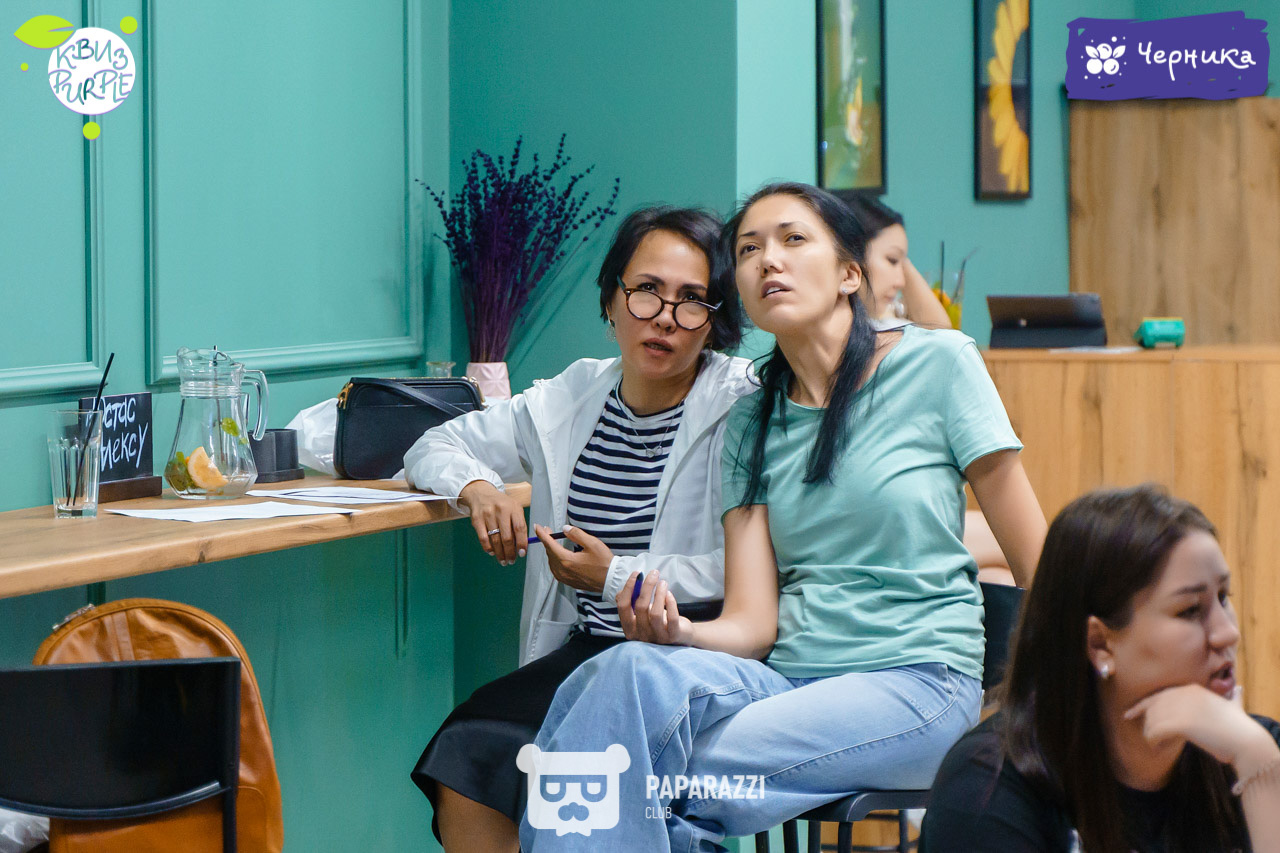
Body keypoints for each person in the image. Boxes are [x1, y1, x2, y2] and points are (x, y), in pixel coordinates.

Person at [519, 182, 1046, 851]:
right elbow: (752, 621)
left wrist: (1041, 708)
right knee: (618, 673)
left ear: (849, 273)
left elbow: (1039, 563)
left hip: (917, 683)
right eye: (748, 249)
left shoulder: (939, 365)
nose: (769, 259)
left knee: (627, 774)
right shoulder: (750, 419)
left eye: (793, 239)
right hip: (783, 680)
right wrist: (679, 631)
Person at [403, 206, 755, 853]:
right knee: (467, 753)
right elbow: (433, 443)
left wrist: (615, 575)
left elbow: (748, 570)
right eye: (646, 290)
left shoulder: (741, 402)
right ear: (611, 299)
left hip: (693, 651)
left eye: (692, 301)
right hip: (589, 647)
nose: (664, 317)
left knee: (581, 781)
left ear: (715, 319)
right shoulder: (574, 394)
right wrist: (477, 486)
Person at [920, 485, 1280, 853]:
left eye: (1223, 598)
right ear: (1100, 644)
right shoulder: (985, 791)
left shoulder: (1252, 750)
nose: (1227, 633)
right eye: (1189, 610)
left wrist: (1260, 765)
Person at [844, 194, 951, 329]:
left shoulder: (882, 326)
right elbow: (940, 332)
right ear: (852, 254)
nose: (901, 282)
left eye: (903, 265)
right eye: (892, 260)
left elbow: (941, 333)